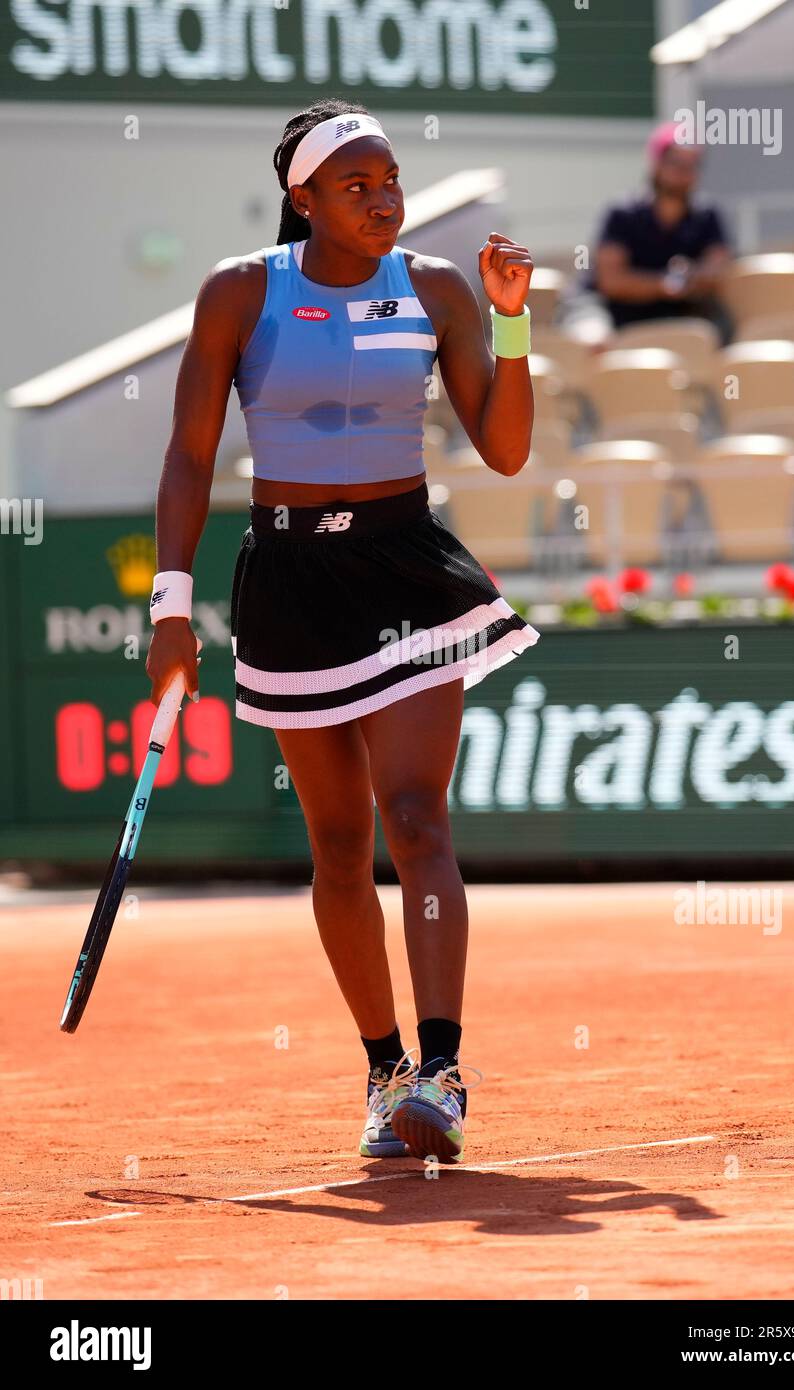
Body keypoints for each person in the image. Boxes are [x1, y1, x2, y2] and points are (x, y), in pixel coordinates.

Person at [145, 98, 540, 1166]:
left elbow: (502, 452)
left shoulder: (437, 288)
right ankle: (383, 1073)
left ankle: (444, 1073)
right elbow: (188, 456)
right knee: (335, 845)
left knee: (414, 818)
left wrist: (510, 320)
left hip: (406, 565)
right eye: (354, 184)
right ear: (301, 196)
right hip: (288, 578)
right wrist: (170, 605)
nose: (382, 199)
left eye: (391, 180)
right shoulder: (238, 292)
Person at [592, 119, 732, 331]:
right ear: (657, 164)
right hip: (612, 311)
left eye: (692, 165)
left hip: (677, 312)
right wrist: (663, 284)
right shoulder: (622, 213)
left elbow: (718, 268)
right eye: (676, 163)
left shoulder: (707, 215)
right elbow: (611, 282)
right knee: (593, 339)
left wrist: (694, 277)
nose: (684, 173)